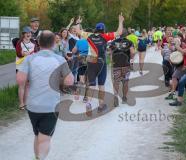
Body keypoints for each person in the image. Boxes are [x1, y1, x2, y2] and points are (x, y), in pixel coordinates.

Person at [17, 30, 74, 160]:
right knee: (45, 137)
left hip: (33, 105)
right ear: (54, 43)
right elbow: (69, 81)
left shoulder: (30, 59)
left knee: (38, 134)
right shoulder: (59, 59)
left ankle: (36, 157)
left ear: (38, 42)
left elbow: (20, 79)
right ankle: (39, 158)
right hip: (51, 105)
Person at [77, 13, 124, 115]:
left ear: (95, 29)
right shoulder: (105, 36)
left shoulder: (89, 35)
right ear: (103, 29)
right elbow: (119, 32)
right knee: (101, 84)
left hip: (90, 61)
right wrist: (120, 21)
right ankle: (101, 105)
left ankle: (88, 103)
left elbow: (77, 31)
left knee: (91, 84)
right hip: (101, 62)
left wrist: (78, 23)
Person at [165, 31, 186, 100]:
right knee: (174, 76)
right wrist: (173, 57)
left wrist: (177, 46)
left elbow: (185, 52)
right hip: (184, 66)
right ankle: (172, 93)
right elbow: (182, 53)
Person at [109, 29, 135, 106]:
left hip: (116, 65)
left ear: (119, 34)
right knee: (125, 82)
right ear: (127, 35)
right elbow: (133, 52)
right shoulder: (129, 42)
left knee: (116, 81)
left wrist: (112, 61)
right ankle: (124, 98)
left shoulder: (113, 42)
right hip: (126, 65)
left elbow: (110, 53)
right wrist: (130, 59)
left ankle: (116, 97)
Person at [15, 26, 38, 110]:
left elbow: (36, 51)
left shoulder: (33, 42)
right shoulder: (19, 42)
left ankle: (26, 103)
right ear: (23, 34)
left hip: (30, 66)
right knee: (21, 85)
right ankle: (21, 104)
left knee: (28, 85)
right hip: (21, 66)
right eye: (27, 33)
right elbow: (18, 53)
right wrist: (24, 53)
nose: (29, 34)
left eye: (30, 33)